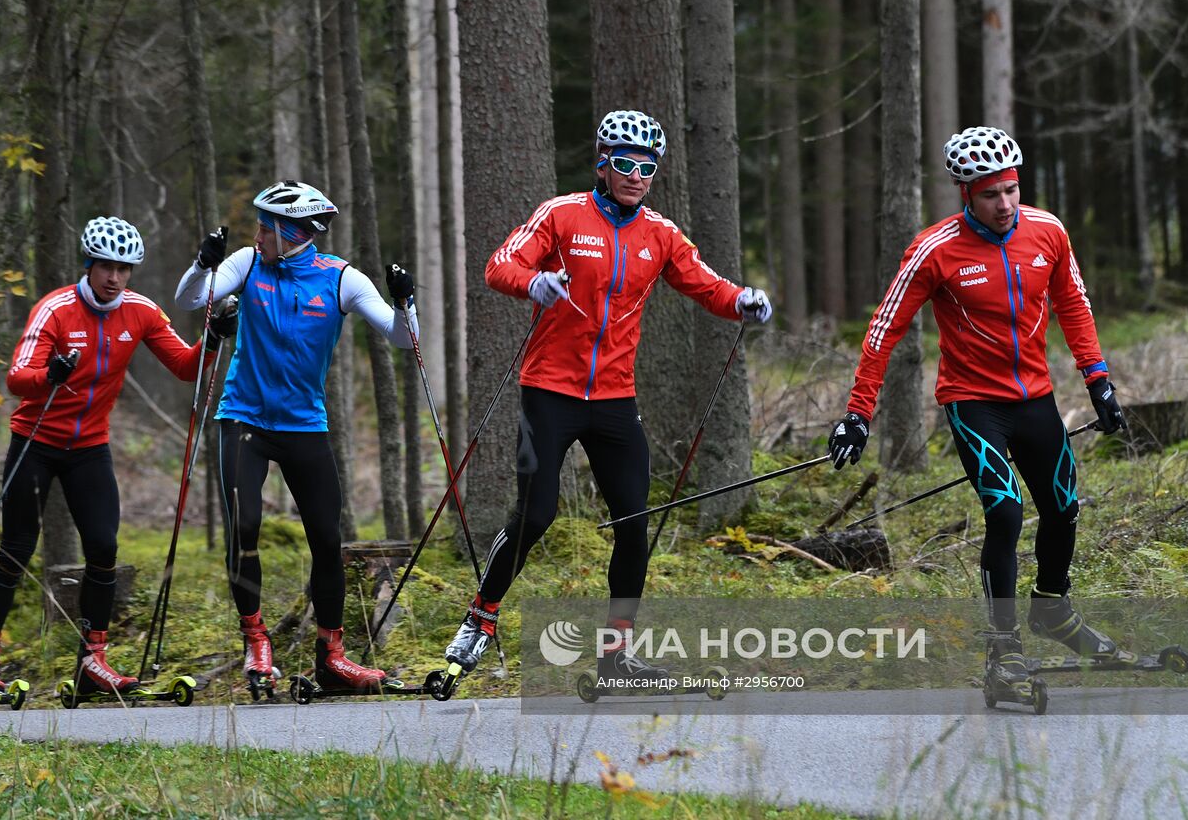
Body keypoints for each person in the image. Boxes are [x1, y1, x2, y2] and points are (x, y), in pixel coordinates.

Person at [442, 109, 774, 686]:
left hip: (615, 399)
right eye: (625, 162)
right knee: (537, 513)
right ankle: (480, 619)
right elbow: (500, 265)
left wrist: (743, 300)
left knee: (634, 523)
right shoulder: (562, 215)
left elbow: (706, 284)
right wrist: (534, 282)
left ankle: (617, 656)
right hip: (549, 390)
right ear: (602, 163)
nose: (636, 174)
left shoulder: (660, 233)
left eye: (647, 165)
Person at [826, 126, 1128, 699]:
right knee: (1007, 512)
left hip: (1035, 398)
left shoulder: (1048, 232)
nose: (1005, 203)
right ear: (966, 193)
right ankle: (1003, 652)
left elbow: (1074, 305)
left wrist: (1099, 382)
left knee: (1064, 509)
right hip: (973, 404)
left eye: (1012, 189)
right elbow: (884, 329)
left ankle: (1053, 611)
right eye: (991, 194)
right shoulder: (935, 249)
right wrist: (859, 413)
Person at [0, 216, 235, 698]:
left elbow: (184, 367)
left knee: (104, 549)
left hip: (90, 446)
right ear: (89, 265)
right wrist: (50, 374)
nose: (115, 277)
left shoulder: (141, 312)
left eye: (124, 268)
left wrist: (213, 339)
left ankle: (94, 661)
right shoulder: (56, 310)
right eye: (106, 266)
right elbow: (15, 379)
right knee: (17, 548)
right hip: (36, 441)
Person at [175, 181, 418, 694]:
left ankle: (333, 656)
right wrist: (204, 263)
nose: (257, 233)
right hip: (243, 418)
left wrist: (407, 301)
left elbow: (400, 336)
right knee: (245, 529)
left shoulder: (340, 279)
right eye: (259, 225)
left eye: (266, 226)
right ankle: (256, 642)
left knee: (328, 541)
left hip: (304, 425)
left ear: (293, 233)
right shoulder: (246, 263)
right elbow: (190, 298)